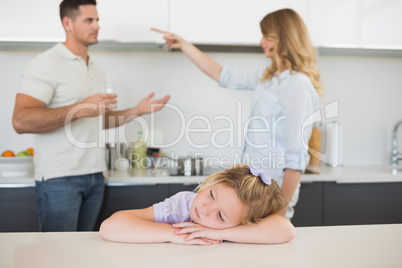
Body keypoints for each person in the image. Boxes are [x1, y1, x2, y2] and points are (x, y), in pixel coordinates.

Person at [12, 0, 170, 232]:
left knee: (84, 253)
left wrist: (138, 110)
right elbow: (21, 120)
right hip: (60, 178)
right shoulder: (46, 63)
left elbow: (98, 121)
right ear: (68, 23)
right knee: (59, 255)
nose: (97, 26)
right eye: (89, 20)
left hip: (95, 176)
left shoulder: (95, 69)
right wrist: (79, 108)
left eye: (97, 20)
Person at [151, 8, 322, 220]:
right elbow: (221, 74)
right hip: (249, 189)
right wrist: (184, 45)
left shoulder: (298, 86)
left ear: (284, 39)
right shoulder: (269, 78)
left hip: (270, 196)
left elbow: (296, 159)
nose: (261, 41)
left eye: (267, 36)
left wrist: (280, 212)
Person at [100, 164, 295, 245]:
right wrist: (175, 235)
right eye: (211, 195)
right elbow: (110, 226)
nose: (204, 209)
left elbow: (286, 230)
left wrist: (219, 234)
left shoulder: (241, 225)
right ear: (213, 180)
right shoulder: (182, 205)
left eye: (220, 216)